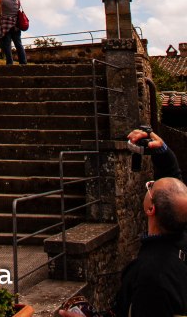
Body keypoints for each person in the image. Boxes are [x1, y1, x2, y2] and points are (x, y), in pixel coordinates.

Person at [59, 129, 187, 317]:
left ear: (151, 209)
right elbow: (173, 196)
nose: (150, 184)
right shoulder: (179, 241)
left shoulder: (151, 277)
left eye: (151, 186)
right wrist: (163, 152)